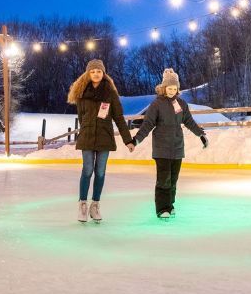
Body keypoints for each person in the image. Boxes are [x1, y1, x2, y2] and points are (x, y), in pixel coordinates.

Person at [132, 68, 207, 219]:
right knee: (163, 180)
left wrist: (201, 134)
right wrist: (136, 139)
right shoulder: (156, 104)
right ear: (164, 88)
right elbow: (148, 124)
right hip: (162, 147)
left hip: (177, 147)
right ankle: (162, 209)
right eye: (169, 88)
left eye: (174, 88)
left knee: (173, 179)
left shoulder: (181, 104)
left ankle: (170, 205)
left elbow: (189, 121)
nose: (172, 91)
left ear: (177, 89)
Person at [67, 59, 134, 223]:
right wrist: (87, 129)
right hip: (87, 137)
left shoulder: (110, 93)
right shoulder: (82, 93)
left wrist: (128, 140)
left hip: (104, 137)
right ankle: (83, 204)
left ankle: (95, 205)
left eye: (99, 71)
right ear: (88, 74)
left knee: (100, 172)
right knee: (87, 170)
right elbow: (81, 117)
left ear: (103, 73)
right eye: (92, 71)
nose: (96, 74)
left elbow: (119, 118)